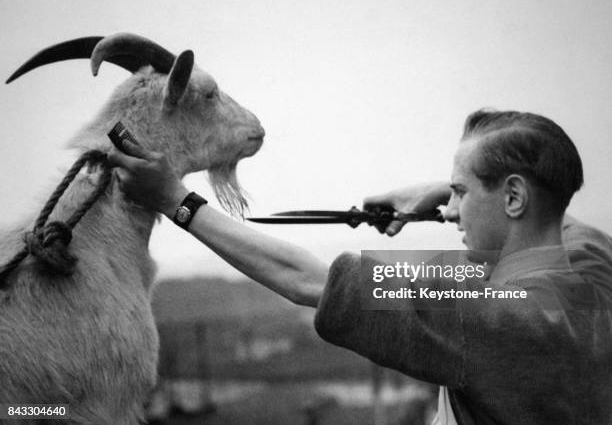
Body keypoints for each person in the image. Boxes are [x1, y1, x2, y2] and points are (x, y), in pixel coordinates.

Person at [109, 109, 612, 424]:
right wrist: (445, 189)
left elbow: (306, 280)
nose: (451, 211)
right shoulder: (592, 279)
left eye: (459, 193)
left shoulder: (483, 311)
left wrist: (176, 200)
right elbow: (564, 222)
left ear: (515, 196)